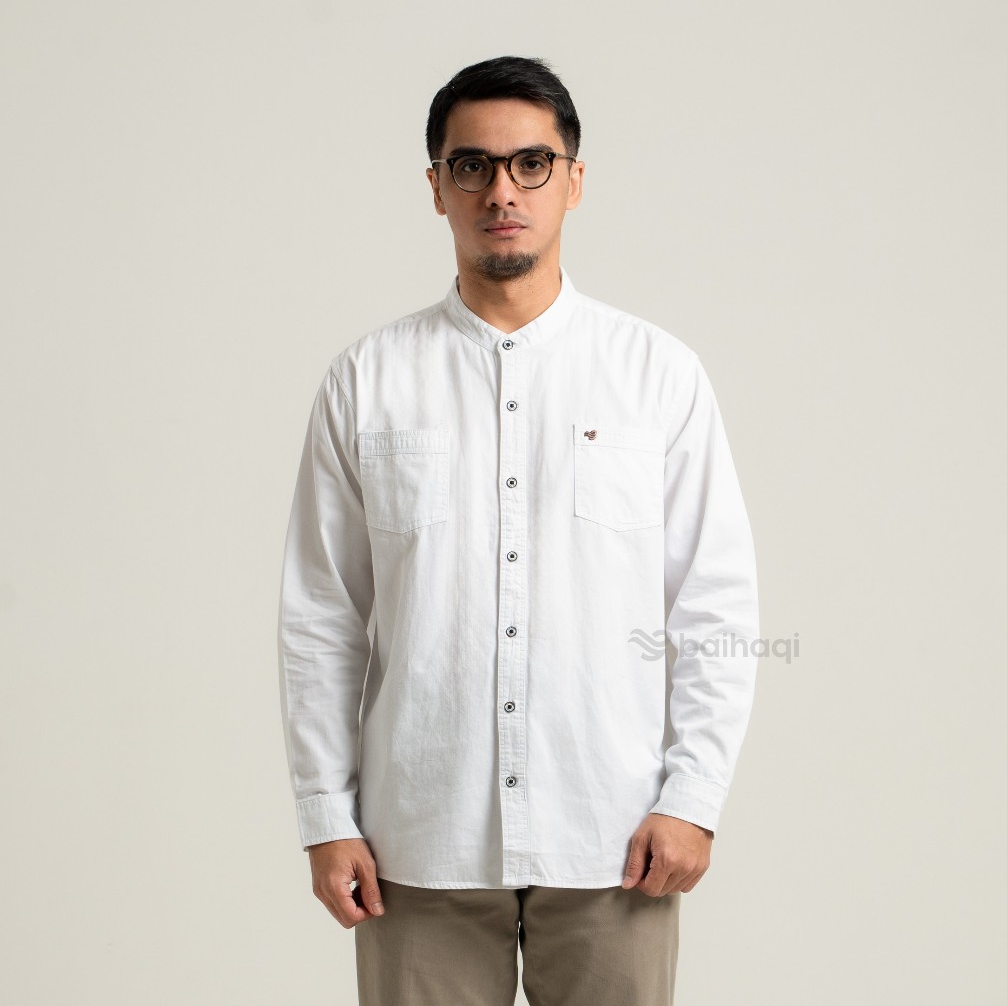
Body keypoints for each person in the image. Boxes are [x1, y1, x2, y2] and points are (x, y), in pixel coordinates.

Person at [277, 55, 760, 1006]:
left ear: (574, 181)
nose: (503, 191)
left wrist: (693, 799)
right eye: (473, 166)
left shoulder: (656, 375)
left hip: (615, 837)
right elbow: (321, 618)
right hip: (419, 844)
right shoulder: (368, 381)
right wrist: (325, 814)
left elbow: (715, 603)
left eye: (532, 164)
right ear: (436, 187)